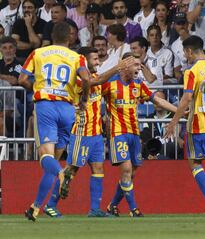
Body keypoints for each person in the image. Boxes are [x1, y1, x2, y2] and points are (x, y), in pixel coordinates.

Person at [41, 47, 134, 218]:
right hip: (81, 133)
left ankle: (94, 209)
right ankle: (50, 204)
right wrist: (118, 67)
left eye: (98, 59)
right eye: (94, 59)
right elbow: (98, 81)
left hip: (96, 135)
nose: (98, 62)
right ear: (83, 61)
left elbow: (107, 85)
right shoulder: (77, 80)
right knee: (71, 171)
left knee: (98, 169)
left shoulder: (96, 79)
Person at [19, 22, 91, 222]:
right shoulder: (78, 57)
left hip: (46, 106)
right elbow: (87, 79)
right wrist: (84, 100)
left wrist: (37, 88)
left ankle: (62, 174)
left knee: (45, 157)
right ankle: (34, 208)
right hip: (68, 110)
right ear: (70, 37)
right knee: (51, 162)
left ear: (51, 36)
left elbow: (22, 80)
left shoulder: (39, 53)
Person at [103, 52, 177, 217]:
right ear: (125, 65)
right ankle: (133, 209)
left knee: (131, 173)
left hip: (134, 134)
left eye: (139, 65)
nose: (139, 68)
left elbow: (158, 100)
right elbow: (93, 96)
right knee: (127, 170)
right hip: (118, 133)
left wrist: (179, 111)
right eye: (136, 65)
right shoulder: (110, 84)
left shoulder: (138, 85)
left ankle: (112, 206)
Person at [165, 35, 205, 216]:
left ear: (190, 51)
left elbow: (187, 98)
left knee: (195, 163)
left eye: (185, 52)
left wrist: (173, 122)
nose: (185, 56)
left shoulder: (191, 71)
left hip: (198, 124)